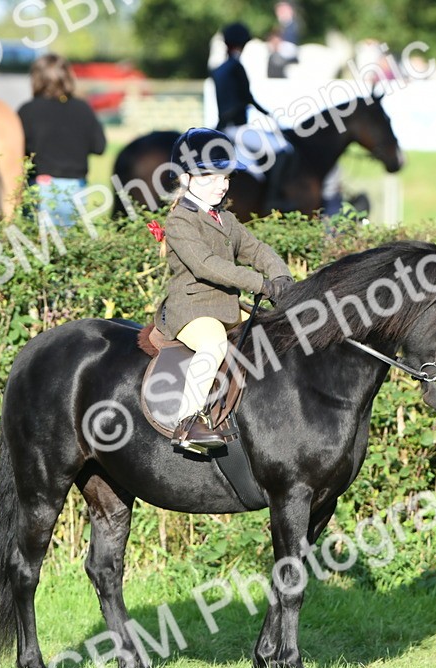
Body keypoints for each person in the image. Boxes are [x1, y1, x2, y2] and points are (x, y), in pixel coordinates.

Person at [153, 128, 294, 453]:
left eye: (225, 176)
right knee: (214, 344)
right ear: (186, 178)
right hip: (192, 311)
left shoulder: (225, 218)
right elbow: (207, 265)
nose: (222, 184)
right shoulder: (179, 222)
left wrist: (281, 276)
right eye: (210, 177)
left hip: (226, 306)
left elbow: (256, 249)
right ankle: (187, 423)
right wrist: (261, 284)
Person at [17, 53, 106, 227]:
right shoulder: (83, 109)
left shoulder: (27, 110)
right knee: (66, 247)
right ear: (67, 77)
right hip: (74, 189)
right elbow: (99, 146)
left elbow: (16, 152)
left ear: (36, 78)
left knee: (35, 245)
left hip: (39, 185)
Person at [211, 22, 288, 180]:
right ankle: (274, 196)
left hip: (221, 128)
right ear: (243, 44)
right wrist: (269, 114)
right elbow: (247, 98)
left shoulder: (219, 69)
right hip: (238, 129)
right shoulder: (236, 67)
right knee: (284, 148)